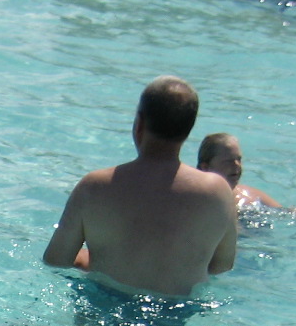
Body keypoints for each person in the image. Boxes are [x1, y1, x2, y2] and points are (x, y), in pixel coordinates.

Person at [43, 76, 236, 299]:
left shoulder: (95, 186)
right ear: (189, 128)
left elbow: (56, 261)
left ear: (140, 124)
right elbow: (222, 265)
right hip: (172, 317)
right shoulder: (218, 192)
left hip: (104, 304)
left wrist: (105, 257)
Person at [196, 133, 295, 212]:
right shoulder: (196, 202)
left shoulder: (250, 196)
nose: (237, 165)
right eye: (228, 161)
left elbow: (286, 213)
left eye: (239, 159)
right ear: (205, 167)